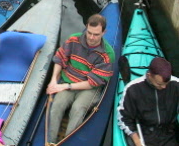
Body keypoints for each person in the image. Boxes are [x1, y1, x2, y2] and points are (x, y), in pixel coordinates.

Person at [46, 14, 115, 143]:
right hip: (68, 79)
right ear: (86, 27)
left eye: (96, 34)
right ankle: (50, 141)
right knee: (57, 105)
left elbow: (92, 83)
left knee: (78, 108)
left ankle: (67, 141)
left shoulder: (108, 54)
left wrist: (65, 86)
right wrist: (53, 81)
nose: (91, 38)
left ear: (104, 33)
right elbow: (60, 58)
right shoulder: (73, 39)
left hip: (88, 88)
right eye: (89, 33)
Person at [117, 57, 179, 146]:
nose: (164, 87)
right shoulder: (133, 89)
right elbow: (124, 118)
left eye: (167, 83)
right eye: (159, 84)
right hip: (145, 134)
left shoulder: (176, 84)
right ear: (149, 75)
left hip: (168, 134)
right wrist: (137, 142)